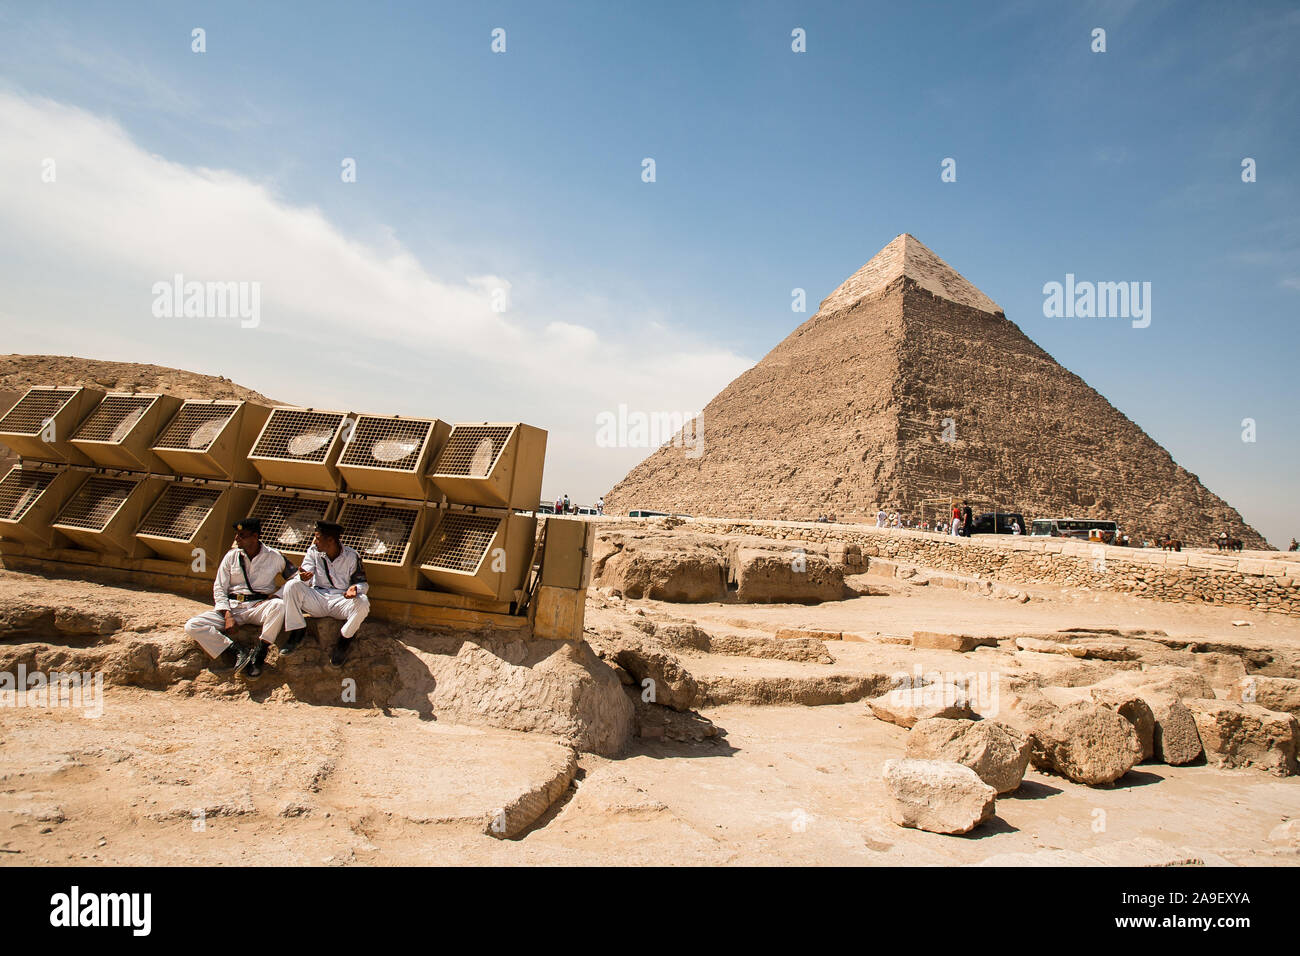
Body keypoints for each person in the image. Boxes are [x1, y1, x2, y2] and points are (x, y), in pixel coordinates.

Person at [184, 516, 293, 678]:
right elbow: (220, 587)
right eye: (237, 534)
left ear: (255, 537)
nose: (236, 538)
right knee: (193, 625)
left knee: (279, 606)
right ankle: (236, 651)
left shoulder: (274, 556)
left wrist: (275, 596)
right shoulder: (231, 556)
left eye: (242, 536)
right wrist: (227, 615)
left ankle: (260, 653)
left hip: (258, 607)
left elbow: (296, 578)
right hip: (233, 607)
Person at [280, 520, 371, 666]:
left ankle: (344, 641)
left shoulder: (352, 556)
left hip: (340, 600)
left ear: (330, 540)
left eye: (317, 538)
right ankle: (296, 632)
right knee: (292, 585)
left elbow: (362, 583)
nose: (315, 541)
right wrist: (303, 578)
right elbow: (305, 575)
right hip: (318, 598)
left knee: (363, 601)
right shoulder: (313, 552)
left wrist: (355, 589)